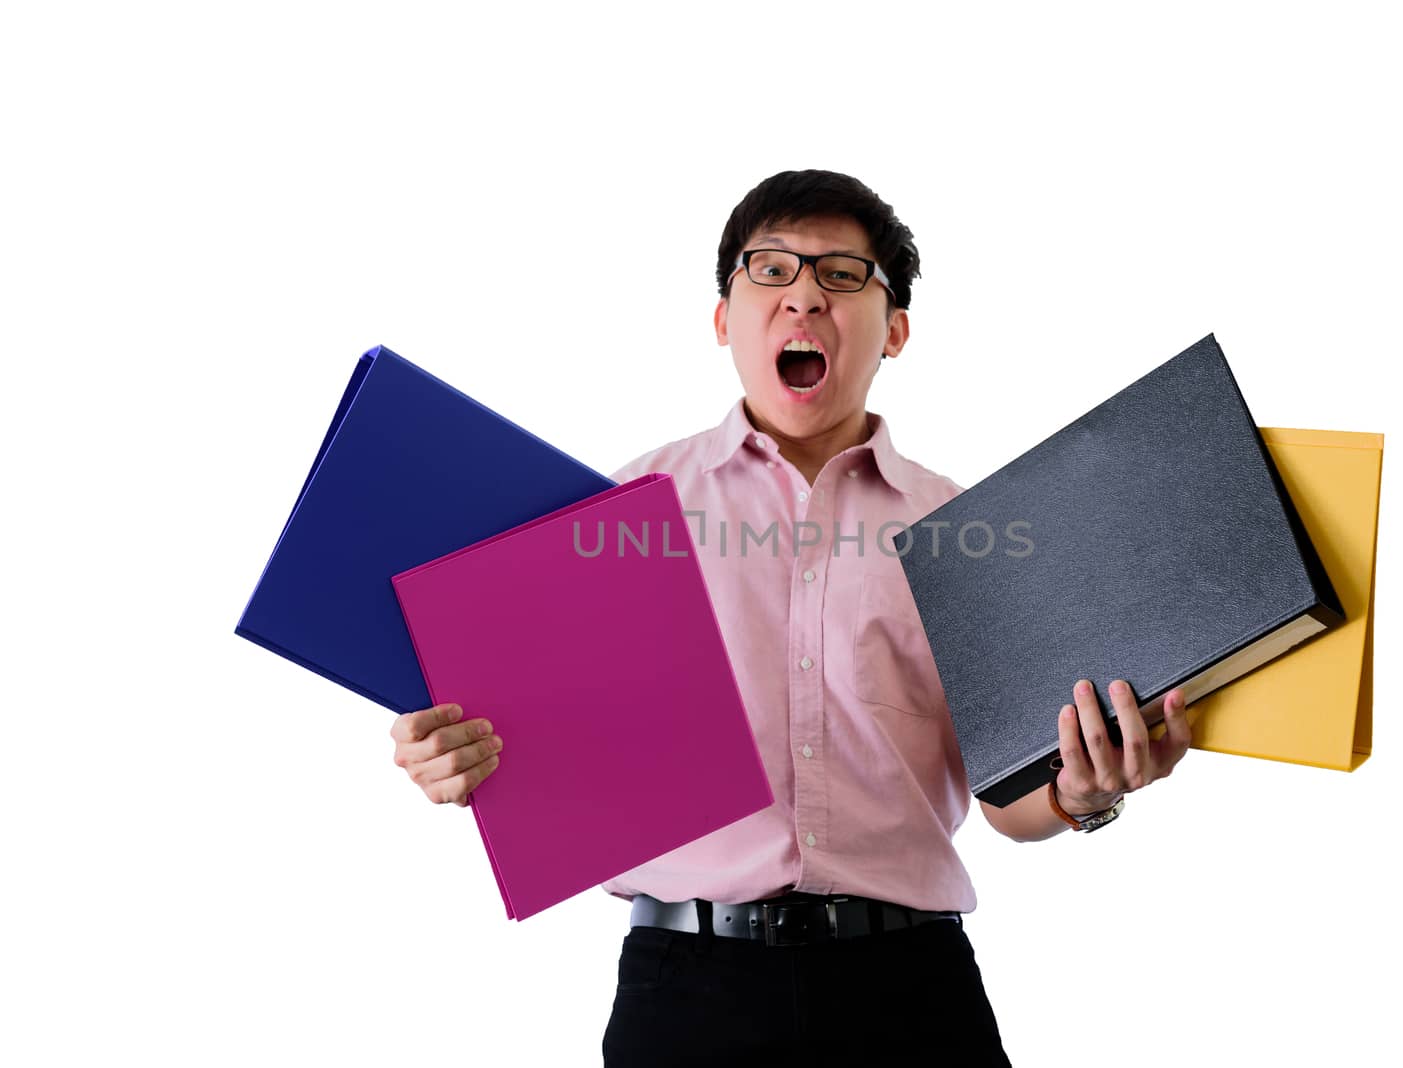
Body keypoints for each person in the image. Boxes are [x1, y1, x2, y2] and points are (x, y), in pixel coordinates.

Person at [388, 170, 1193, 1066]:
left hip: (912, 994)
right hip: (684, 994)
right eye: (769, 269)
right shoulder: (613, 516)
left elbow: (1010, 798)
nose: (804, 293)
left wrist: (1081, 798)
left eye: (843, 275)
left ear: (895, 331)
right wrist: (459, 758)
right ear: (724, 318)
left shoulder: (967, 529)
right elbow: (539, 744)